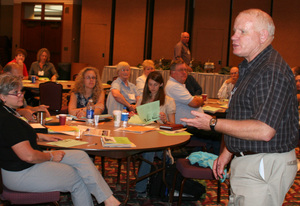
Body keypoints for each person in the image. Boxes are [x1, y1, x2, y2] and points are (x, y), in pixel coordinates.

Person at [181, 9, 298, 206]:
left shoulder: (271, 70)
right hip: (252, 160)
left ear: (263, 36)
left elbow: (264, 130)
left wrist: (212, 123)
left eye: (242, 32)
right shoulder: (252, 67)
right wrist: (228, 152)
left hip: (264, 164)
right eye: (234, 31)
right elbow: (243, 116)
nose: (233, 37)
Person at [0, 74, 120, 206]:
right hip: (21, 173)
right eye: (15, 93)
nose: (21, 95)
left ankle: (109, 200)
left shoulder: (9, 112)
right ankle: (109, 201)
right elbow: (29, 156)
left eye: (21, 91)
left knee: (80, 156)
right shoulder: (7, 120)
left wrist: (40, 136)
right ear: (2, 96)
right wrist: (50, 156)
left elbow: (15, 137)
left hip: (23, 166)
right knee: (78, 178)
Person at [135, 71, 175, 197]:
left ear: (161, 85)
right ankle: (141, 186)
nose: (152, 88)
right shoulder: (142, 99)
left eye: (155, 85)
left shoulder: (168, 101)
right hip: (142, 136)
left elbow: (173, 125)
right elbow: (136, 121)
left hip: (160, 141)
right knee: (147, 149)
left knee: (149, 150)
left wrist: (165, 120)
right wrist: (134, 116)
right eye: (150, 84)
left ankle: (140, 188)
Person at [165, 59, 204, 125]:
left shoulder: (177, 84)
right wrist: (201, 100)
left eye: (185, 70)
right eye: (181, 70)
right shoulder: (174, 86)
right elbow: (195, 103)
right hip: (186, 126)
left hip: (193, 124)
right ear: (172, 72)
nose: (184, 72)